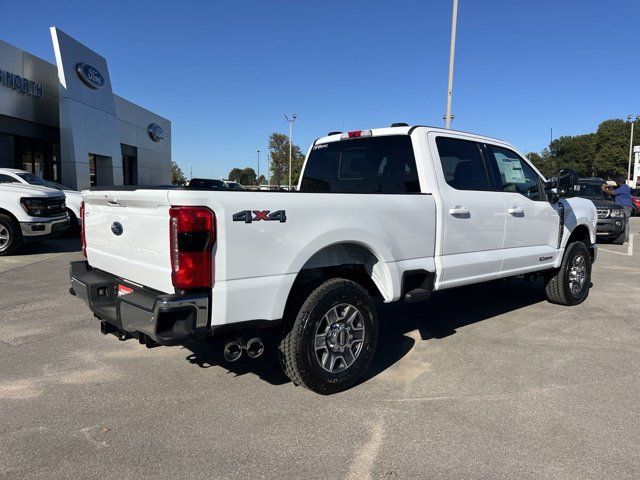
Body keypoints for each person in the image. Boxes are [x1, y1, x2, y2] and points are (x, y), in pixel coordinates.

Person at [602, 177, 633, 242]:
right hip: (626, 206)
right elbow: (614, 193)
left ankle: (625, 237)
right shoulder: (625, 187)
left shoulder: (623, 187)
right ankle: (626, 237)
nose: (615, 183)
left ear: (619, 182)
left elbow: (613, 193)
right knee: (626, 222)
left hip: (625, 206)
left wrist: (604, 190)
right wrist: (609, 188)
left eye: (616, 182)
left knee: (624, 222)